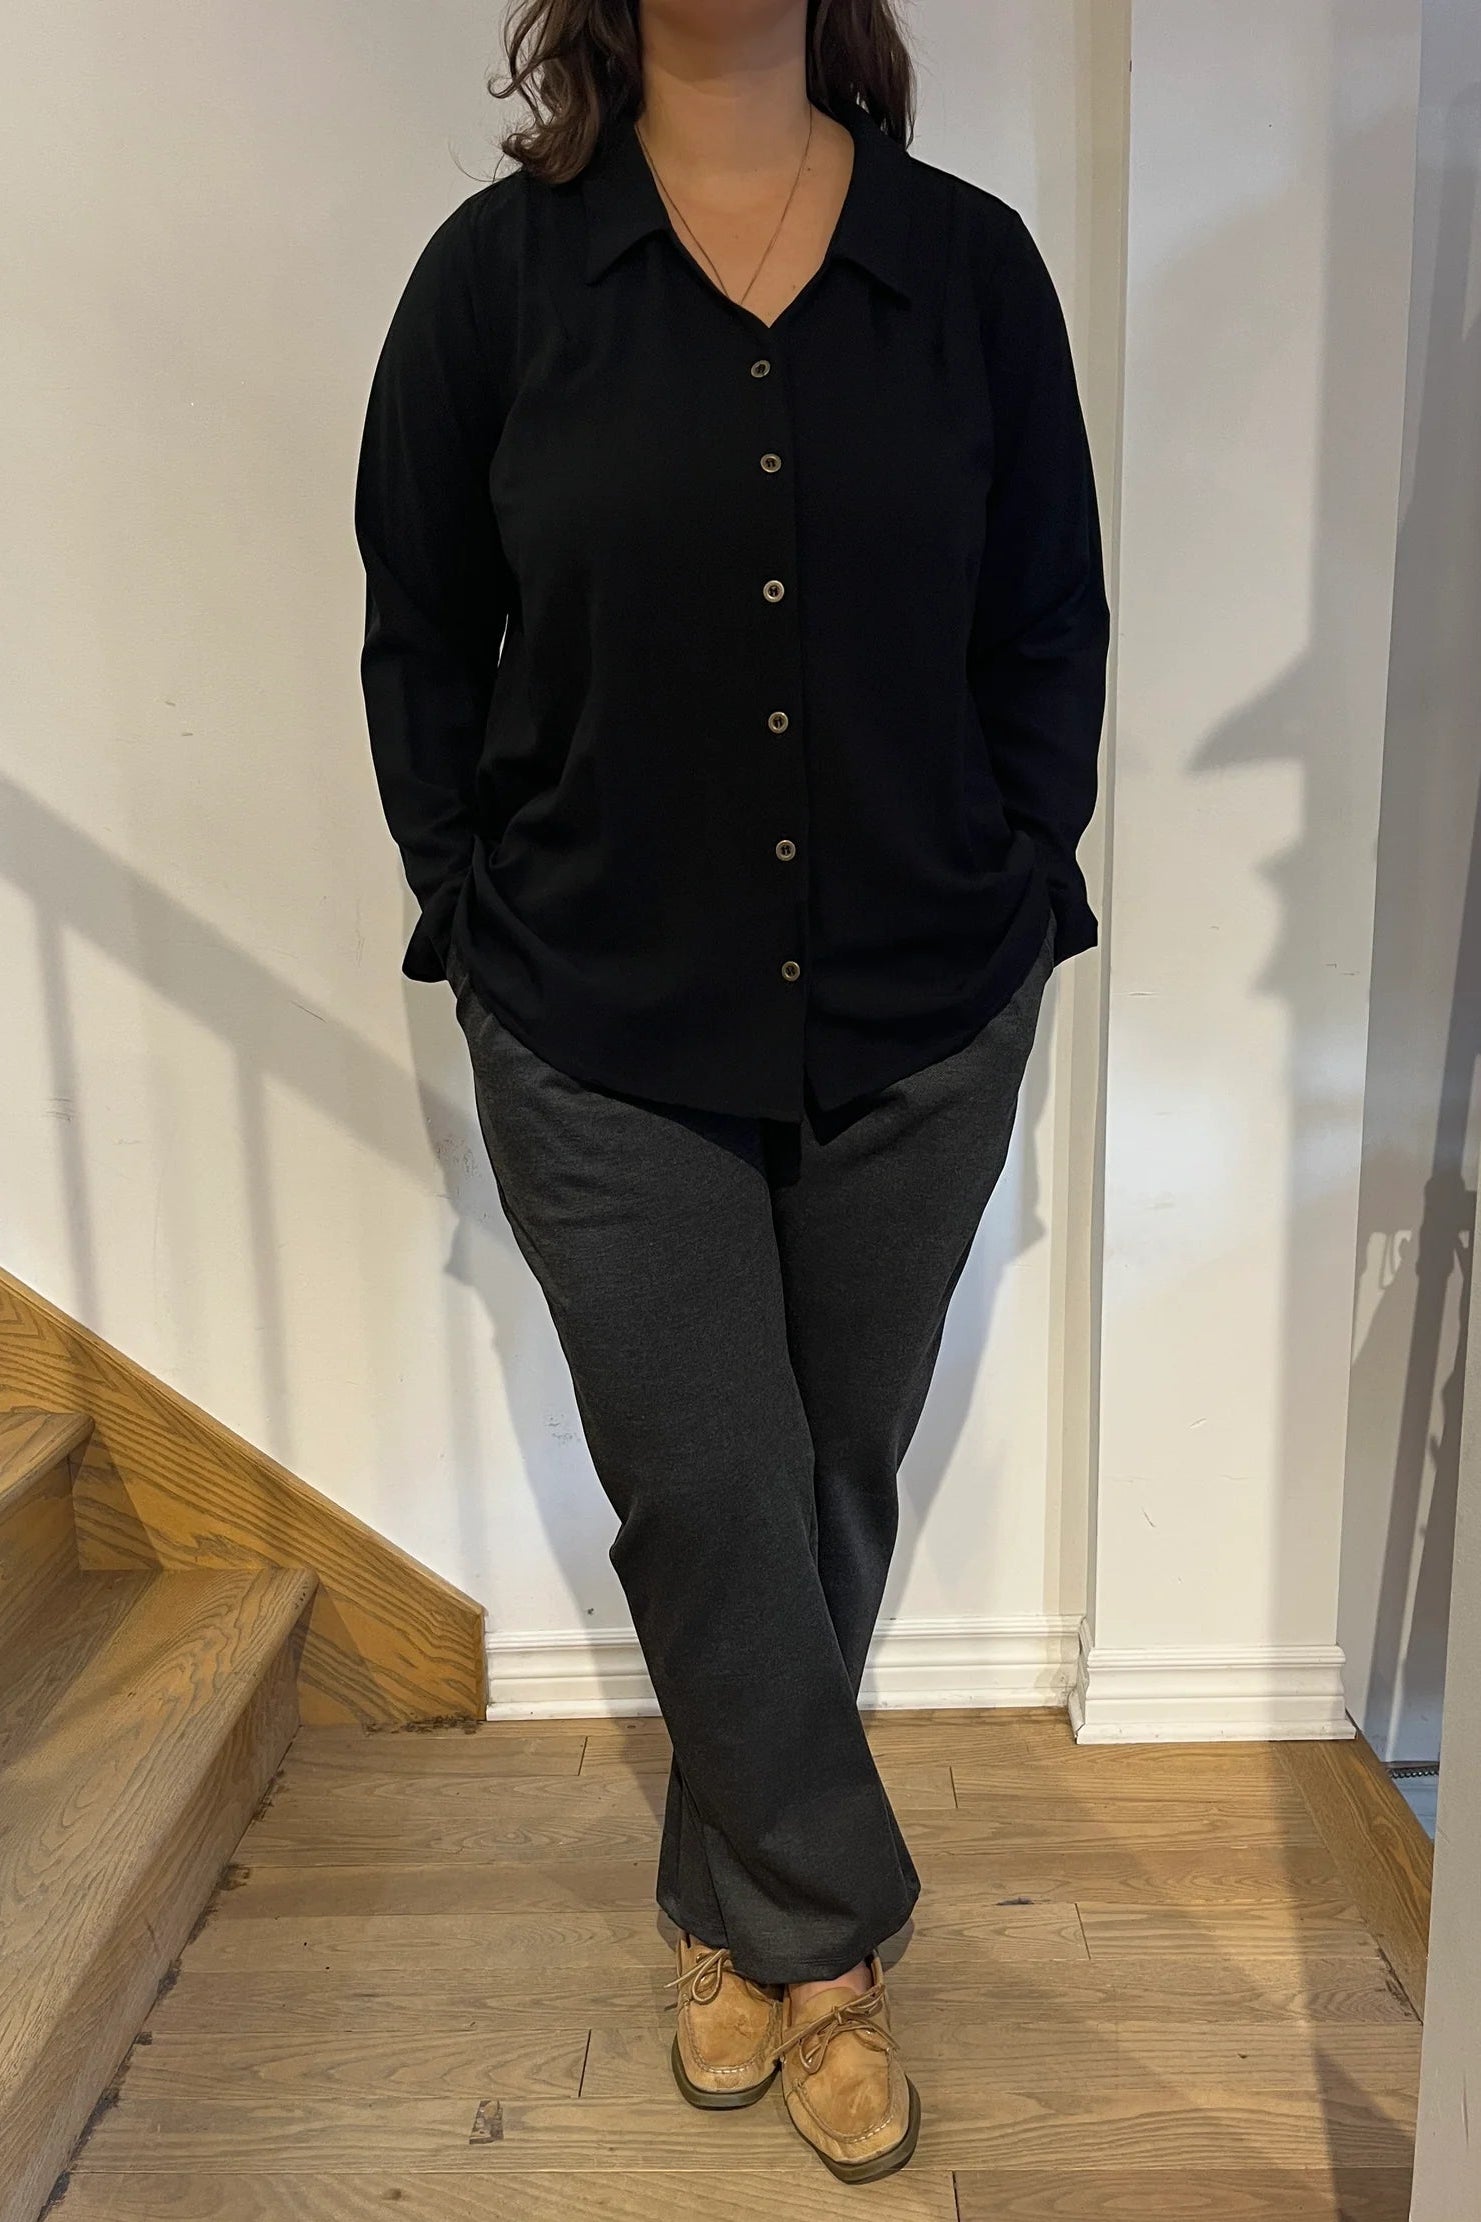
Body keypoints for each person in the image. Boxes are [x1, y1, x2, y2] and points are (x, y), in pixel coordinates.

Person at [354, 0, 1108, 2184]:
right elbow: (422, 634)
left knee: (820, 1484)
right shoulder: (494, 286)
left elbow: (1045, 620)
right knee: (708, 1486)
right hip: (596, 1018)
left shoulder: (966, 273)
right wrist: (465, 899)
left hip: (920, 1006)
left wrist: (1015, 864)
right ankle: (832, 1946)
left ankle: (722, 1913)